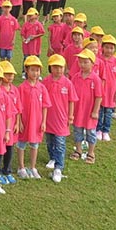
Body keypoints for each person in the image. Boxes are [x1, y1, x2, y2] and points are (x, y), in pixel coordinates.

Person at [15, 56, 51, 180]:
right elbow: (18, 107)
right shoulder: (21, 88)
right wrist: (18, 122)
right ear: (26, 70)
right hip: (25, 121)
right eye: (32, 70)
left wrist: (44, 122)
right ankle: (21, 167)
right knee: (21, 143)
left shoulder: (42, 88)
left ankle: (33, 167)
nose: (35, 73)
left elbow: (45, 106)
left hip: (37, 121)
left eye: (37, 70)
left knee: (34, 144)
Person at [43, 55, 77, 183]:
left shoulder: (67, 83)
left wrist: (71, 115)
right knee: (50, 140)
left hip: (62, 118)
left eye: (61, 67)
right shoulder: (46, 82)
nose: (58, 70)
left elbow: (71, 101)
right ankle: (52, 158)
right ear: (50, 67)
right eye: (55, 67)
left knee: (60, 142)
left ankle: (58, 167)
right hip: (48, 118)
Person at [71, 49, 102, 164]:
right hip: (78, 111)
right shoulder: (75, 77)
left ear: (92, 63)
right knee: (77, 131)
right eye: (80, 62)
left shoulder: (96, 79)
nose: (82, 65)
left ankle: (91, 152)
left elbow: (99, 97)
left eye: (85, 62)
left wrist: (95, 111)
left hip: (89, 111)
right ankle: (78, 150)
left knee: (91, 132)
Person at [96, 35, 116, 141]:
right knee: (100, 111)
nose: (109, 50)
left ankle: (106, 130)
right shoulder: (98, 60)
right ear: (102, 47)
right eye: (107, 47)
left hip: (111, 92)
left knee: (108, 112)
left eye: (111, 48)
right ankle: (98, 130)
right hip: (101, 91)